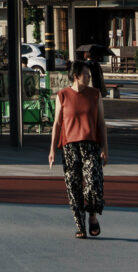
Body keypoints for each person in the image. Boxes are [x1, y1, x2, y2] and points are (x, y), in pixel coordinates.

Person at [47, 62, 109, 237]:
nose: (89, 77)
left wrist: (105, 147)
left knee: (93, 184)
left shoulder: (95, 94)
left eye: (89, 74)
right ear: (76, 76)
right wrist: (52, 150)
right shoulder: (63, 95)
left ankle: (92, 216)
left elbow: (101, 123)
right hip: (70, 147)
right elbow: (57, 124)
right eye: (86, 74)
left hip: (91, 145)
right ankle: (80, 226)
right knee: (73, 186)